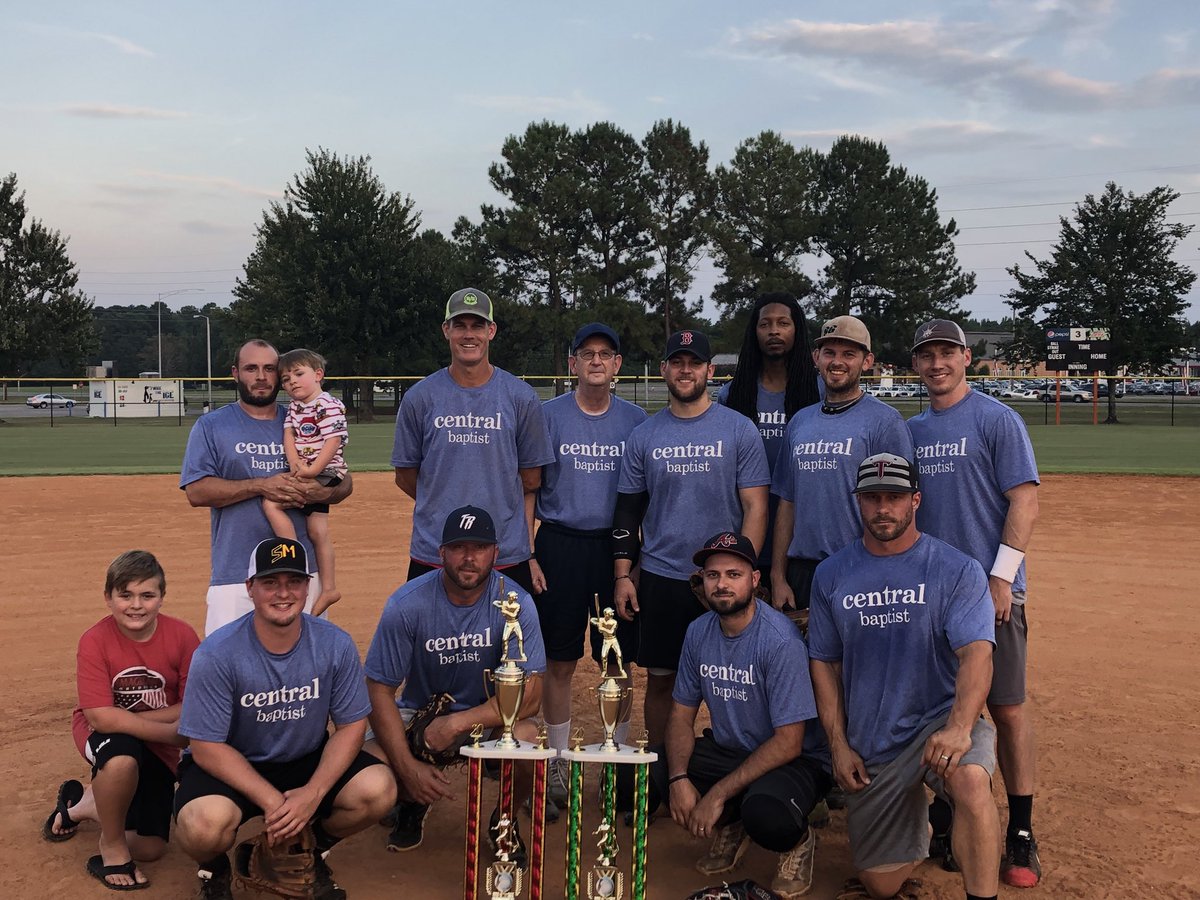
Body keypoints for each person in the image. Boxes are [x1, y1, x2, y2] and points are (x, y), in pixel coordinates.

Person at [808, 453, 1000, 900]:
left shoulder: (956, 569)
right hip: (875, 738)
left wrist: (958, 728)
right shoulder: (831, 574)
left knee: (971, 781)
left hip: (938, 720)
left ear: (915, 499)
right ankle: (922, 821)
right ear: (857, 503)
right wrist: (838, 745)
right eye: (872, 498)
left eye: (894, 497)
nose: (883, 509)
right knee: (881, 884)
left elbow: (977, 655)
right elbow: (824, 662)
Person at [173, 537, 396, 900]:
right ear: (250, 588)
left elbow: (352, 726)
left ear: (308, 587)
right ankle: (214, 867)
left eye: (293, 581)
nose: (283, 593)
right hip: (234, 762)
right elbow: (205, 746)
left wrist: (314, 792)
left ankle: (310, 849)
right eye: (270, 582)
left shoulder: (334, 643)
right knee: (202, 827)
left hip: (303, 759)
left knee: (379, 790)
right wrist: (275, 804)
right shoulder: (217, 653)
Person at [907, 319, 1042, 887]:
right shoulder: (909, 430)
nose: (937, 363)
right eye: (927, 355)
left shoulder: (996, 419)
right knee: (939, 708)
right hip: (928, 597)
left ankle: (1022, 832)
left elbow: (1025, 500)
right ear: (915, 364)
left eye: (947, 353)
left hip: (992, 593)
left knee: (1007, 709)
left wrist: (1001, 578)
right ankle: (945, 814)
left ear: (966, 358)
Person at [650, 532, 830, 899]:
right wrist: (679, 778)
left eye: (733, 574)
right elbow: (681, 716)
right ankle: (732, 822)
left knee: (766, 816)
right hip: (732, 748)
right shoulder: (698, 632)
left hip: (795, 760)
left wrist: (715, 794)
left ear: (754, 580)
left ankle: (797, 840)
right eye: (713, 576)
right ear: (702, 582)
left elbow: (789, 742)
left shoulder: (780, 642)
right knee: (653, 773)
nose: (722, 584)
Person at [364, 506, 546, 863]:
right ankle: (412, 800)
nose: (468, 558)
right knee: (369, 772)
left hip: (491, 720)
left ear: (495, 553)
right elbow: (379, 690)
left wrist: (459, 722)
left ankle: (504, 819)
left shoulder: (516, 603)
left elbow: (531, 697)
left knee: (528, 743)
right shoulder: (407, 604)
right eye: (459, 547)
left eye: (478, 548)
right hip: (419, 716)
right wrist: (407, 767)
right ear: (441, 552)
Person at [614, 329, 770, 745]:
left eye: (695, 363)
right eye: (678, 362)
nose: (686, 370)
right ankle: (661, 773)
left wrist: (743, 568)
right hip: (665, 577)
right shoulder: (644, 436)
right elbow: (629, 510)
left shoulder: (739, 430)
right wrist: (624, 575)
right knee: (662, 682)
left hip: (722, 579)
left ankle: (734, 765)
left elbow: (755, 505)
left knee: (736, 680)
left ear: (709, 370)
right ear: (664, 369)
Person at [530, 322, 646, 817]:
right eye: (587, 353)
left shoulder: (637, 420)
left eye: (606, 353)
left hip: (615, 551)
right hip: (558, 544)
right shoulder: (547, 416)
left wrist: (636, 566)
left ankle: (616, 757)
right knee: (558, 661)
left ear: (617, 365)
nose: (596, 360)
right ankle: (557, 762)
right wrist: (528, 552)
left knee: (614, 661)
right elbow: (529, 488)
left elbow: (646, 497)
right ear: (573, 363)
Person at [43, 550, 200, 890]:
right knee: (121, 759)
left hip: (149, 735)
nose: (136, 605)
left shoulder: (183, 636)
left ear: (162, 597)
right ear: (108, 598)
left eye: (147, 595)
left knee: (152, 848)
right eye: (125, 595)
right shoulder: (95, 640)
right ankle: (111, 847)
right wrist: (171, 734)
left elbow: (194, 706)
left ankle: (86, 803)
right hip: (106, 734)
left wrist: (141, 723)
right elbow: (99, 717)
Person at [181, 339, 353, 635]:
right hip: (235, 575)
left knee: (305, 670)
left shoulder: (305, 415)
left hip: (301, 573)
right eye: (251, 368)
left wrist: (323, 493)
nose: (261, 376)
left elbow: (345, 482)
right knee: (227, 667)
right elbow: (197, 492)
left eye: (269, 369)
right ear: (236, 373)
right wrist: (262, 486)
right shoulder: (212, 425)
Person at [392, 288, 554, 595]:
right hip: (436, 548)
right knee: (432, 640)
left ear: (490, 331)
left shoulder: (520, 397)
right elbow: (405, 475)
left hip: (503, 551)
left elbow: (531, 478)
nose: (469, 335)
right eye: (460, 325)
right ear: (446, 330)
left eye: (477, 325)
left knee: (504, 641)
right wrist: (443, 501)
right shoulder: (420, 398)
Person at [771, 316, 913, 613]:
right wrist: (778, 575)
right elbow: (787, 502)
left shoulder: (884, 422)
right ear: (816, 358)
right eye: (829, 353)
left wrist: (894, 573)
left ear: (867, 361)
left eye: (849, 354)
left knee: (858, 660)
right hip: (802, 572)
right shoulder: (800, 422)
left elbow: (902, 506)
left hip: (861, 567)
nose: (838, 362)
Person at [718, 292, 821, 591]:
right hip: (747, 532)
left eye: (783, 323)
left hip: (802, 539)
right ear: (755, 332)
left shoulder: (819, 391)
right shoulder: (733, 395)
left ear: (797, 330)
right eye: (765, 324)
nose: (774, 331)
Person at [262, 348, 349, 614]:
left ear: (318, 375)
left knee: (272, 503)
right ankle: (330, 588)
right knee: (317, 531)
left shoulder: (327, 404)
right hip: (306, 469)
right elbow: (289, 437)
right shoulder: (295, 408)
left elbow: (333, 441)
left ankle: (294, 555)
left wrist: (312, 471)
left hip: (327, 471)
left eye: (299, 374)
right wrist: (296, 464)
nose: (292, 382)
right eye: (286, 379)